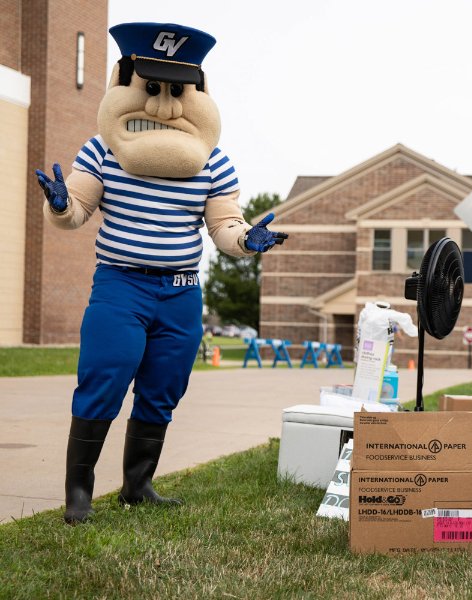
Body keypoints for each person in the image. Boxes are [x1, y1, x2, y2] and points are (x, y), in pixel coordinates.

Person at [35, 22, 287, 524]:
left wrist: (244, 241)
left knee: (164, 386)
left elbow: (223, 224)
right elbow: (79, 207)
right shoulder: (102, 151)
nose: (163, 104)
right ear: (124, 82)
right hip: (120, 283)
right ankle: (78, 494)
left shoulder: (214, 163)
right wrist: (62, 206)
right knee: (105, 376)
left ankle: (137, 484)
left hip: (180, 292)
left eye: (177, 90)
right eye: (151, 87)